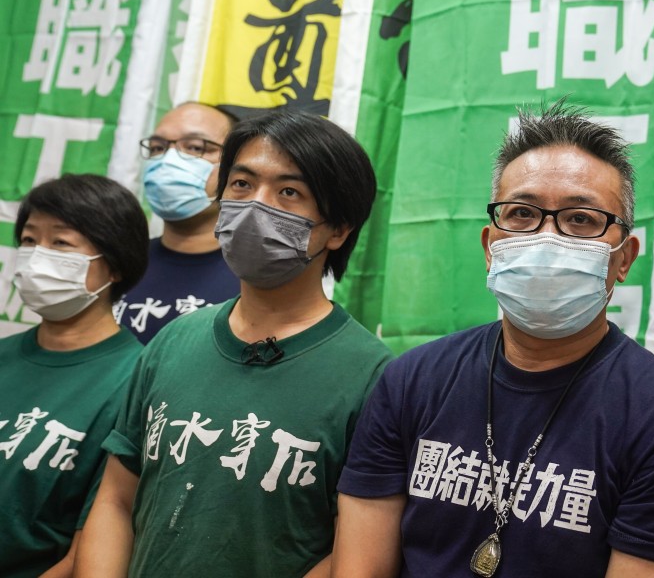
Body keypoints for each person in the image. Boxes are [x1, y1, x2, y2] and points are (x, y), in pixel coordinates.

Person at [335, 101, 654, 578]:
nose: (547, 237)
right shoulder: (410, 382)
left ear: (623, 258)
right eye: (522, 213)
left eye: (581, 220)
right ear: (490, 247)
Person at [75, 110, 393, 577]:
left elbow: (357, 554)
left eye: (289, 192)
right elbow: (117, 500)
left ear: (339, 229)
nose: (255, 206)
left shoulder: (374, 376)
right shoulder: (174, 340)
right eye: (241, 185)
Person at [0, 174, 148, 577]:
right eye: (29, 241)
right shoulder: (5, 356)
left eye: (61, 243)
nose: (36, 257)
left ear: (114, 264)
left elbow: (92, 547)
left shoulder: (137, 381)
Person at [116, 101, 239, 343]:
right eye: (157, 148)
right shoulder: (116, 263)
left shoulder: (257, 277)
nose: (169, 160)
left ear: (236, 166)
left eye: (195, 147)